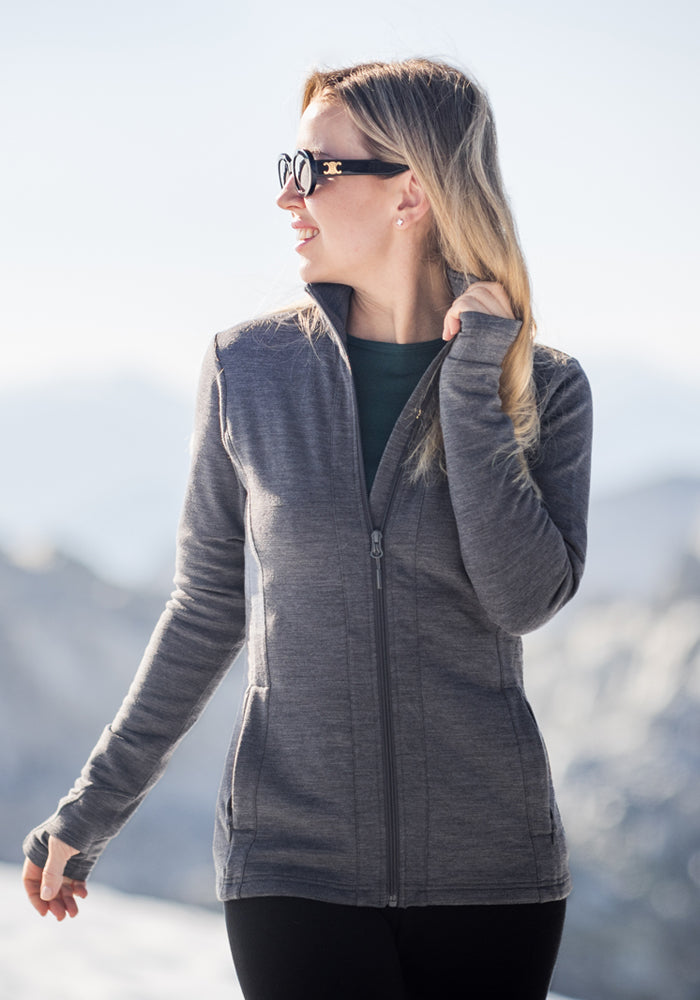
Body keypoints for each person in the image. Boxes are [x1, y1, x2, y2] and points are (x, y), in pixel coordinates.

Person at [22, 58, 592, 999]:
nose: (287, 196)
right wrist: (93, 808)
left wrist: (476, 387)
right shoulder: (248, 369)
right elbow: (205, 610)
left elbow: (522, 598)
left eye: (313, 169)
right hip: (291, 867)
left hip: (493, 875)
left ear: (410, 191)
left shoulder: (542, 386)